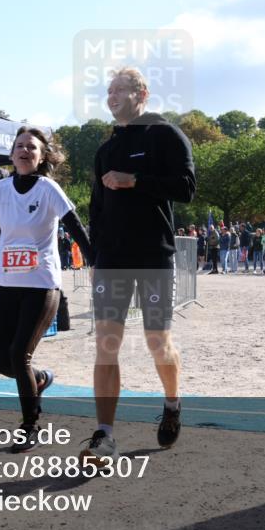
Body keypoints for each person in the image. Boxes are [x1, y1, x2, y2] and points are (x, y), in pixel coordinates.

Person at [82, 67, 196, 466]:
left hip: (153, 256)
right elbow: (96, 209)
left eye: (119, 89)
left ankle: (172, 402)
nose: (111, 96)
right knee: (105, 343)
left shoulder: (164, 134)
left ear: (141, 93)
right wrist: (94, 258)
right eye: (108, 90)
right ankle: (105, 434)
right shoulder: (106, 149)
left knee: (156, 341)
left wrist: (135, 180)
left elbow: (186, 187)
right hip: (112, 259)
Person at [0, 127, 92, 453]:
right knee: (1, 362)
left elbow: (75, 227)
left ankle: (30, 426)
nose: (25, 151)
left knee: (18, 354)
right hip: (8, 284)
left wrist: (96, 263)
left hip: (41, 284)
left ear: (41, 158)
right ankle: (40, 378)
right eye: (20, 146)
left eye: (32, 148)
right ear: (12, 155)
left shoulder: (48, 189)